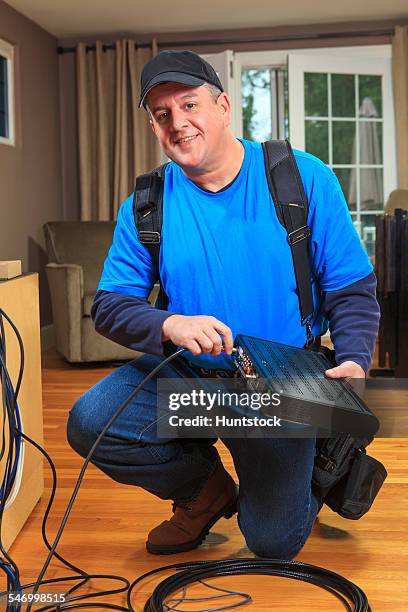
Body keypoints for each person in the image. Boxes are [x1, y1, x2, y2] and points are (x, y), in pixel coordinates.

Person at [67, 51, 380, 557]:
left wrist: (354, 359)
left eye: (189, 104)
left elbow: (351, 288)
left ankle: (319, 459)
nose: (178, 123)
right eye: (162, 114)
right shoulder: (148, 201)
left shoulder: (300, 178)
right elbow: (109, 304)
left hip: (277, 385)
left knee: (273, 541)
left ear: (223, 107)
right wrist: (169, 324)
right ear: (153, 127)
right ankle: (203, 491)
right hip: (190, 378)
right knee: (91, 420)